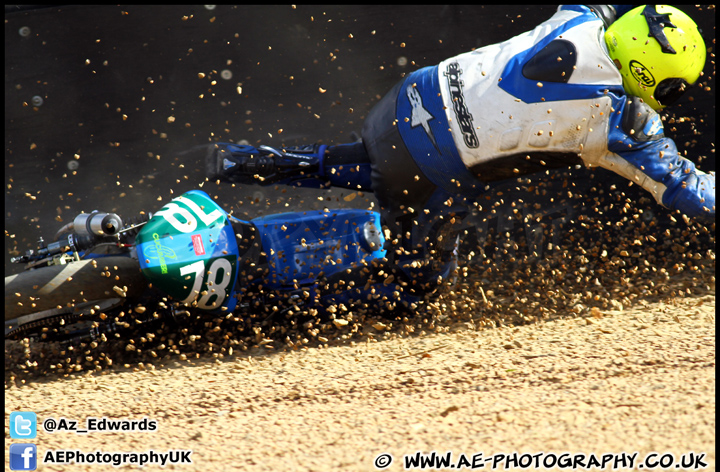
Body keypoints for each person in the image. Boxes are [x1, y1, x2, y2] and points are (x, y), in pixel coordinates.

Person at [204, 5, 715, 309]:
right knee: (415, 287)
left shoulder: (584, 14)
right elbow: (692, 193)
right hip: (430, 174)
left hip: (406, 101)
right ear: (654, 80)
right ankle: (269, 301)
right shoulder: (620, 123)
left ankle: (231, 162)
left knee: (360, 159)